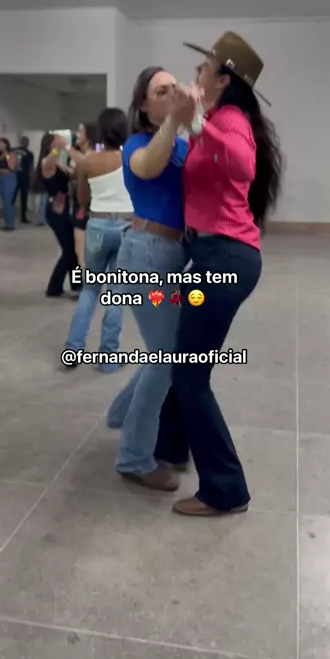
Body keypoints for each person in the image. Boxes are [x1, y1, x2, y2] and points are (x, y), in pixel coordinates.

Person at [154, 31, 283, 516]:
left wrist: (197, 122)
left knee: (190, 374)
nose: (196, 74)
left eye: (204, 68)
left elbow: (243, 165)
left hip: (224, 259)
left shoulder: (230, 119)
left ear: (224, 79)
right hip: (212, 255)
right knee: (187, 361)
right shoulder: (214, 121)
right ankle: (170, 446)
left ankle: (225, 490)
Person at [105, 67, 188, 491]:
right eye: (161, 90)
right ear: (142, 103)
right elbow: (149, 168)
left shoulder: (181, 144)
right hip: (148, 255)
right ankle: (135, 458)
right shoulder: (138, 145)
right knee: (167, 357)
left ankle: (120, 414)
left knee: (164, 351)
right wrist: (175, 119)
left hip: (170, 254)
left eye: (175, 88)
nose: (172, 94)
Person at [62, 108, 133, 373]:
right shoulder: (132, 159)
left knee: (90, 290)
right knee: (116, 294)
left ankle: (73, 349)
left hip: (98, 225)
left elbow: (82, 199)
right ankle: (108, 357)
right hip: (127, 226)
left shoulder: (88, 161)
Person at [36, 133, 80, 298]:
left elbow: (72, 172)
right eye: (55, 141)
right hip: (55, 210)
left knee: (72, 249)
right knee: (70, 249)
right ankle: (58, 287)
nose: (58, 142)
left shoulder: (58, 163)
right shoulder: (46, 162)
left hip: (64, 207)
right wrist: (59, 147)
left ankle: (72, 285)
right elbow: (50, 160)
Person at [71, 122, 98, 270]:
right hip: (82, 208)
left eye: (80, 131)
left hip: (87, 209)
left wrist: (66, 148)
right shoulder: (85, 157)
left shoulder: (90, 157)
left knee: (83, 257)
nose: (77, 134)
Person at [12, 135, 34, 224]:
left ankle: (23, 217)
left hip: (24, 177)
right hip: (16, 176)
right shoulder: (15, 151)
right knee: (13, 196)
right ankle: (10, 215)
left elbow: (31, 167)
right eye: (24, 141)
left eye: (26, 142)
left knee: (24, 197)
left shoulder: (29, 154)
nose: (25, 143)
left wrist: (32, 178)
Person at [0, 138, 18, 231]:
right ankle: (7, 222)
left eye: (1, 144)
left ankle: (10, 224)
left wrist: (6, 154)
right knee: (4, 201)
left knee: (7, 200)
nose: (0, 145)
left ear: (6, 145)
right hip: (1, 178)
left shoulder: (11, 154)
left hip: (9, 178)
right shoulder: (0, 155)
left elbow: (11, 167)